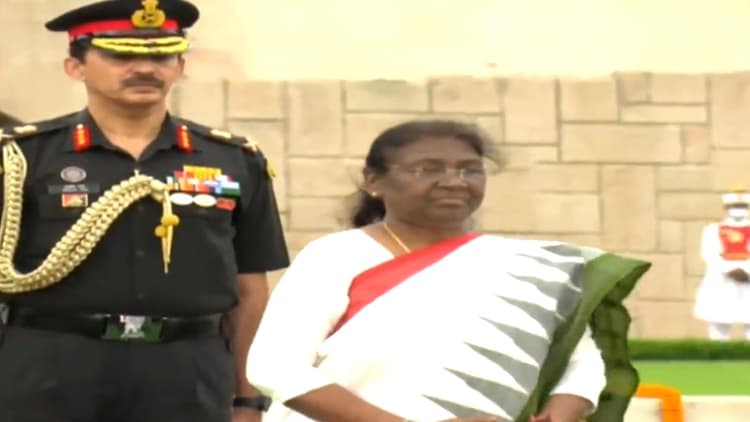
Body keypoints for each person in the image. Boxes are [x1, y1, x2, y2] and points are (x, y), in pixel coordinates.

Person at [245, 120, 651, 422]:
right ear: (374, 181)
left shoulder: (530, 265)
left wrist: (562, 409)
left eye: (469, 169)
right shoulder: (336, 255)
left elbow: (582, 361)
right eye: (428, 169)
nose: (455, 182)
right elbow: (275, 367)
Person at [0, 0, 289, 421]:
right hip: (49, 369)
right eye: (120, 56)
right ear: (75, 67)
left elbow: (249, 290)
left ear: (180, 66)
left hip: (186, 372)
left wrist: (247, 399)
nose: (145, 69)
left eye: (161, 56)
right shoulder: (23, 158)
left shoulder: (234, 159)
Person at [694, 186, 750, 341]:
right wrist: (729, 270)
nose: (738, 209)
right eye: (735, 206)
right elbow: (709, 254)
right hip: (721, 280)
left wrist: (746, 271)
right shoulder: (712, 230)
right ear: (727, 207)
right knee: (719, 323)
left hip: (748, 280)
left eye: (742, 206)